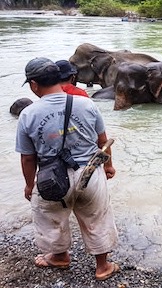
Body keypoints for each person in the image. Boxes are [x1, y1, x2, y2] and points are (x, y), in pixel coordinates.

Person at [16, 57, 119, 281]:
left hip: (51, 179)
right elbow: (103, 141)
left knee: (51, 217)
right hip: (89, 174)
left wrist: (29, 184)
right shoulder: (87, 104)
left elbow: (27, 158)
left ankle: (60, 256)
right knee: (96, 218)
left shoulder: (28, 114)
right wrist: (109, 166)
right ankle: (102, 267)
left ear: (34, 84)